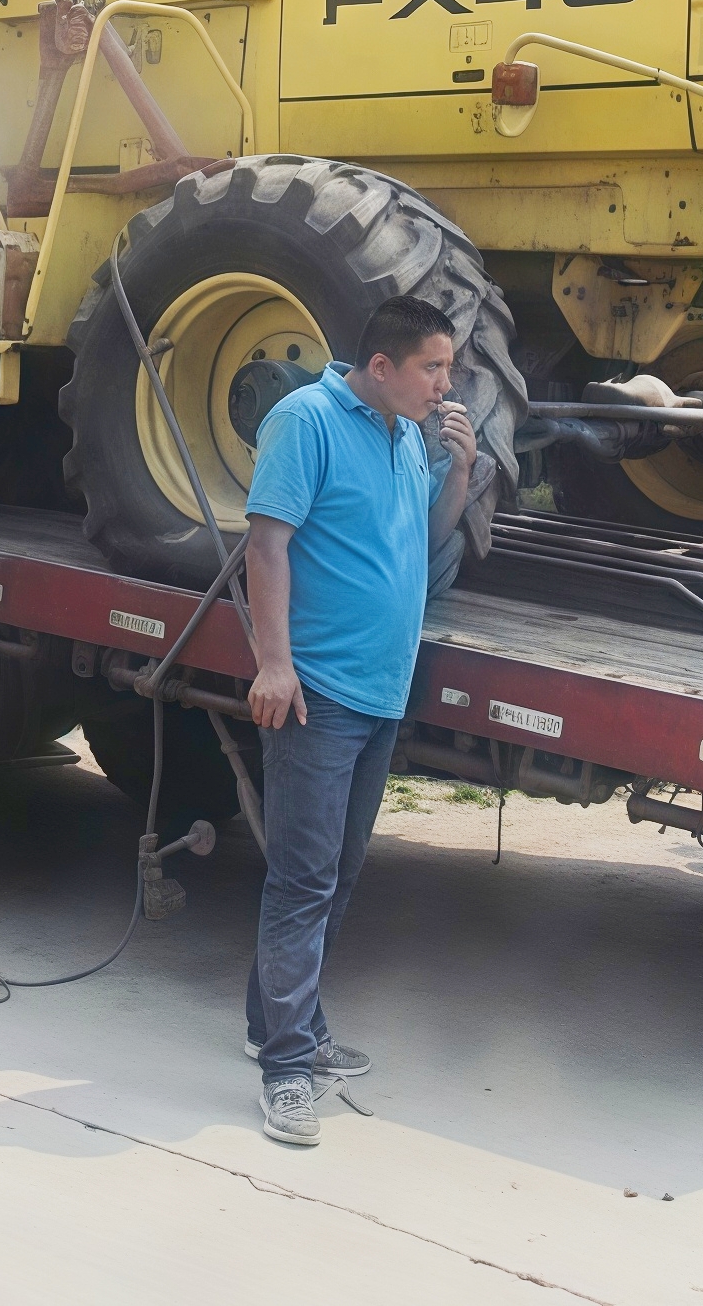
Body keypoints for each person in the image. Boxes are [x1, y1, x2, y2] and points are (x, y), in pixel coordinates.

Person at [240, 295, 475, 1150]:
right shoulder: (305, 421)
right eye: (432, 368)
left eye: (446, 369)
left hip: (380, 691)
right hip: (319, 692)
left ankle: (273, 1025)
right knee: (302, 881)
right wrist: (274, 663)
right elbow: (266, 543)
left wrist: (455, 473)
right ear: (381, 367)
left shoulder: (403, 434)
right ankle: (287, 1070)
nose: (445, 386)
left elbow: (415, 537)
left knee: (335, 875)